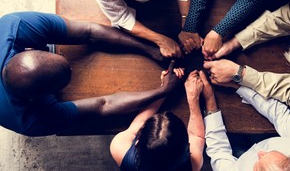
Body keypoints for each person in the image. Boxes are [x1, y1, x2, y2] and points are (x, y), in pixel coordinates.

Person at [0, 11, 181, 136]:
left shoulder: (15, 26)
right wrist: (161, 92)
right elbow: (102, 105)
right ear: (38, 98)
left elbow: (89, 31)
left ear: (29, 49)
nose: (73, 69)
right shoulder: (28, 121)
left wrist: (149, 49)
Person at [110, 70, 205, 171]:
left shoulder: (119, 148)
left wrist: (164, 89)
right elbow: (197, 136)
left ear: (138, 141)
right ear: (186, 146)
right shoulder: (193, 164)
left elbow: (137, 124)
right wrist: (193, 98)